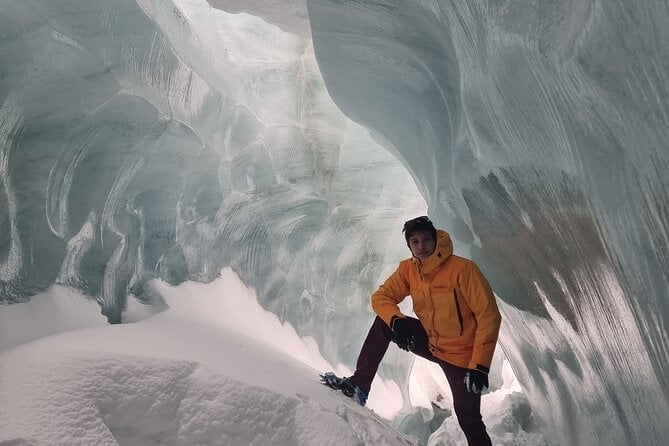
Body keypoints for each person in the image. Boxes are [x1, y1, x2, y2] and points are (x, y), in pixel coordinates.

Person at [329, 216, 501, 446]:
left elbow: (488, 316)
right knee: (383, 324)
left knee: (468, 418)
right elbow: (381, 297)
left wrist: (479, 366)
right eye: (415, 242)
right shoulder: (408, 270)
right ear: (409, 245)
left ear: (436, 239)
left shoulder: (463, 269)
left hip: (463, 356)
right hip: (432, 342)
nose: (421, 247)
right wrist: (397, 321)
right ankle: (359, 385)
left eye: (426, 240)